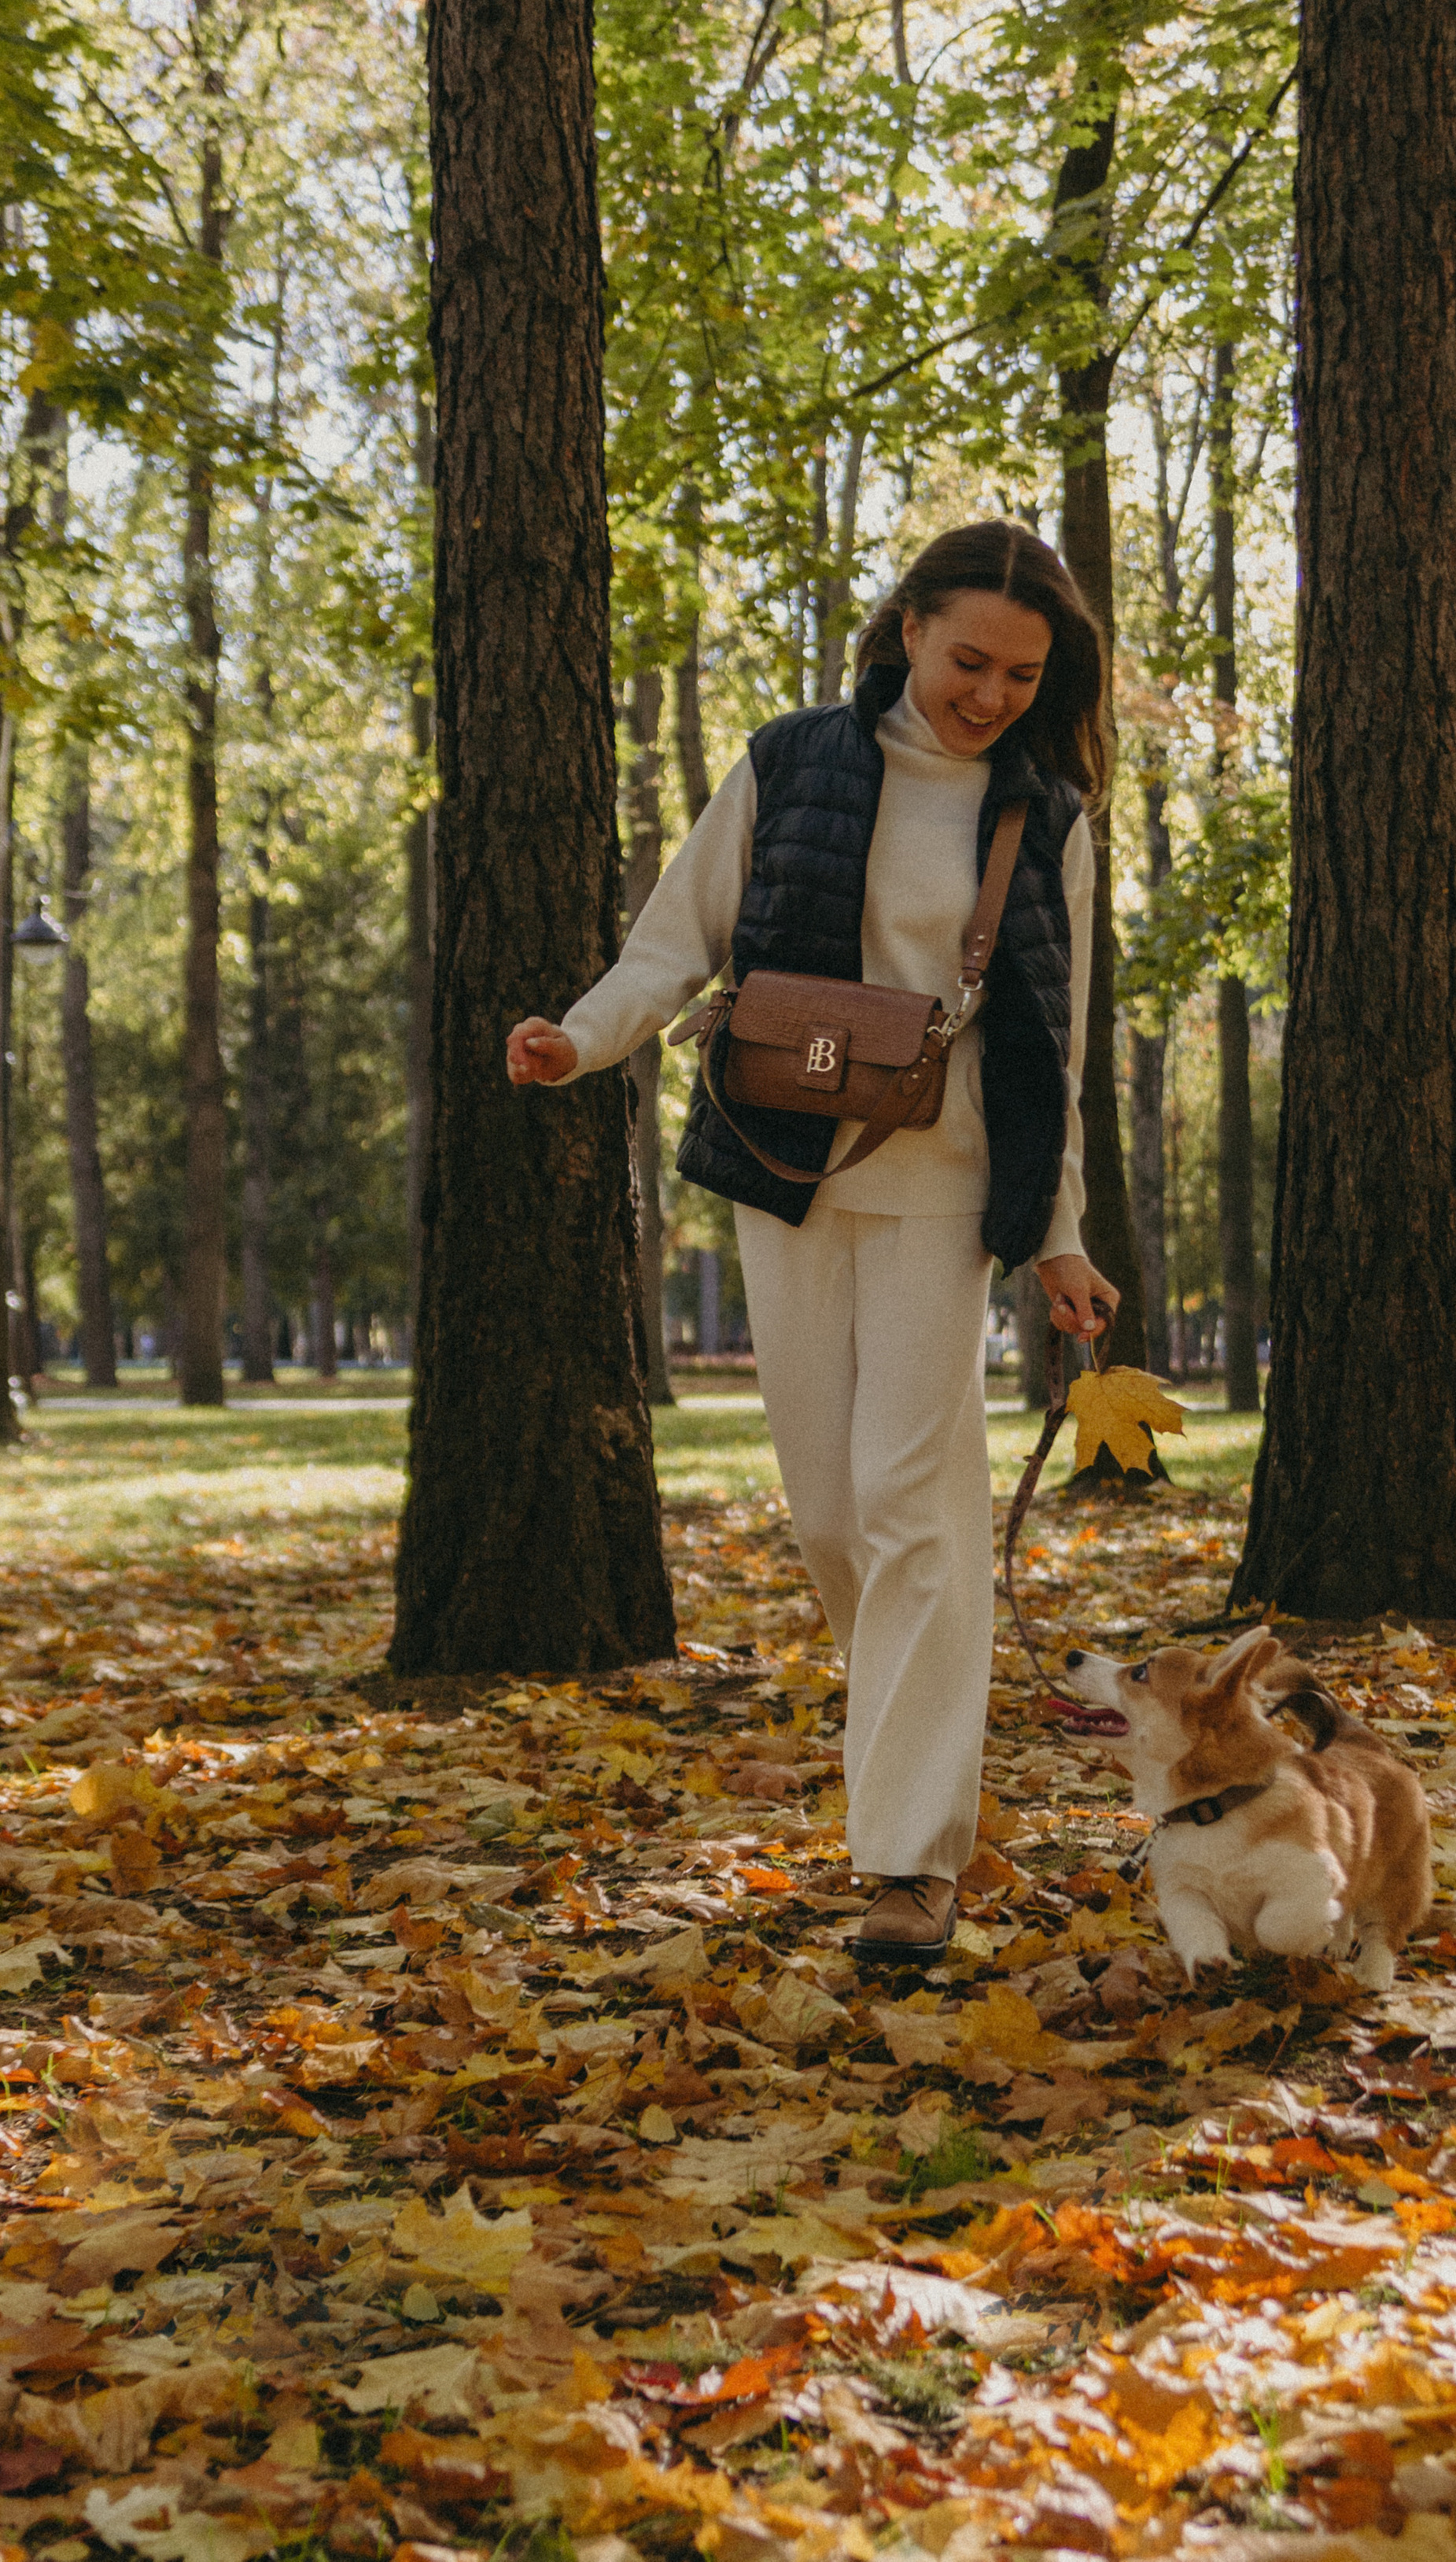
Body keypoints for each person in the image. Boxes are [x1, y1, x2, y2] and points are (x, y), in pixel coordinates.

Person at [506, 523, 1119, 1965]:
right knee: (836, 1519)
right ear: (907, 629)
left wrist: (1060, 1238)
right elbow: (678, 939)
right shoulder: (791, 763)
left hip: (948, 1192)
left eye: (1024, 674)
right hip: (783, 1169)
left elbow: (1057, 1046)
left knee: (915, 1507)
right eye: (970, 660)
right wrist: (580, 1040)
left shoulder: (1051, 814)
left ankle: (910, 1861)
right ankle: (918, 1745)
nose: (992, 695)